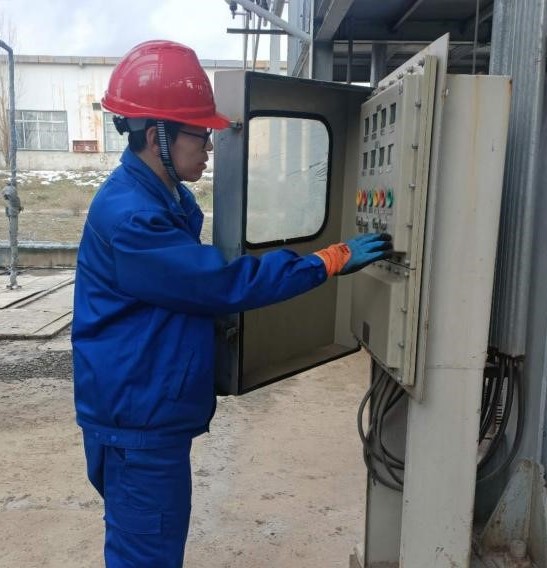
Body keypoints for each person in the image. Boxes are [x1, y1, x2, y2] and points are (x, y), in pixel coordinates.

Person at [71, 39, 392, 568]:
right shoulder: (133, 217)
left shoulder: (159, 196)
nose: (209, 147)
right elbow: (219, 284)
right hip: (137, 422)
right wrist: (325, 261)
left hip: (143, 408)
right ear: (157, 136)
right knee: (145, 554)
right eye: (201, 135)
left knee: (151, 544)